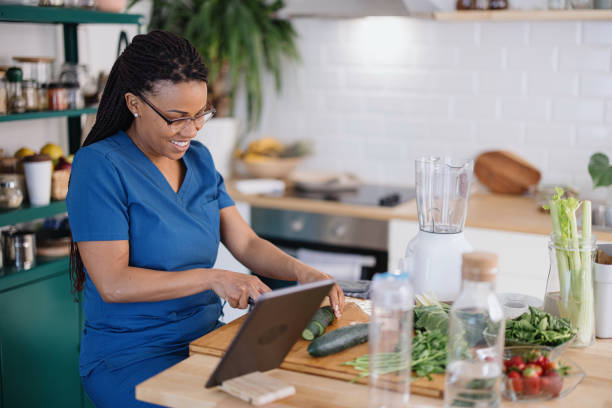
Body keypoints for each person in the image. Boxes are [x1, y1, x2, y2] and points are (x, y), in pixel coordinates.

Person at [66, 30, 345, 408]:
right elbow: (113, 283)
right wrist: (214, 277)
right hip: (130, 356)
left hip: (207, 343)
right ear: (133, 103)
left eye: (200, 115)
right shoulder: (99, 166)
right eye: (177, 118)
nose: (192, 129)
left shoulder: (198, 159)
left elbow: (246, 243)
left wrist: (303, 273)